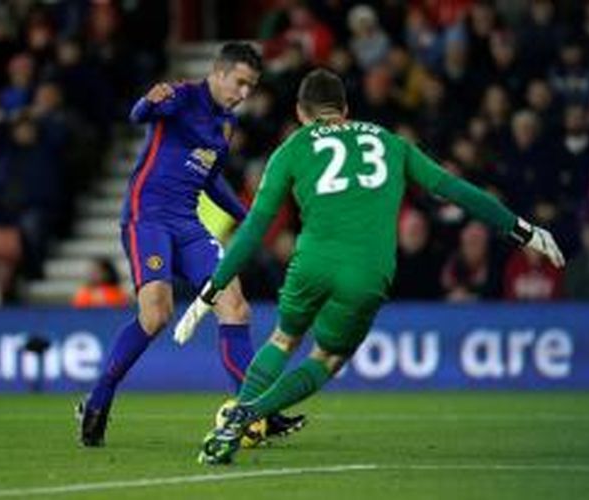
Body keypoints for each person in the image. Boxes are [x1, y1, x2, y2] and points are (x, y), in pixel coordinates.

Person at [174, 69, 565, 465]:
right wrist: (521, 229)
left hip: (311, 262)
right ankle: (248, 414)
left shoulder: (291, 148)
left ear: (299, 112)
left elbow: (255, 227)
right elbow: (454, 189)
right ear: (345, 109)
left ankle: (234, 417)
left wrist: (212, 289)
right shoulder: (391, 142)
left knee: (282, 339)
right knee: (326, 358)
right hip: (367, 271)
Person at [77, 43, 304, 447]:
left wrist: (247, 216)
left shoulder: (226, 123)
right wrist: (148, 100)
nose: (244, 93)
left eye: (251, 87)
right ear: (218, 73)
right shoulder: (182, 96)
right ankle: (98, 399)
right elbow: (139, 115)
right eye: (240, 83)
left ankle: (257, 410)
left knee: (235, 306)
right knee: (157, 314)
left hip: (188, 224)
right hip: (147, 219)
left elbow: (211, 180)